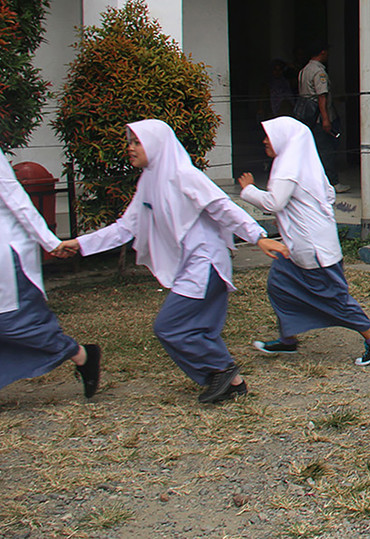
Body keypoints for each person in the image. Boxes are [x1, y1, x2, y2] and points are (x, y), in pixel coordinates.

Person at [61, 120, 290, 403]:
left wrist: (258, 236)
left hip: (206, 265)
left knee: (170, 326)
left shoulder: (183, 175)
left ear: (156, 144)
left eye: (137, 142)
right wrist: (80, 244)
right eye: (129, 142)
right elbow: (125, 227)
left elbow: (222, 206)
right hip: (192, 266)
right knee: (199, 329)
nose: (130, 148)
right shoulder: (149, 180)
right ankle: (232, 383)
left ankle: (223, 369)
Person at [238, 117, 370, 365]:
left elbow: (275, 201)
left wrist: (249, 190)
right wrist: (288, 220)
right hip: (300, 248)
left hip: (313, 251)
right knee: (279, 285)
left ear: (284, 139)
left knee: (334, 298)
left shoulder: (288, 167)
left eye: (269, 135)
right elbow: (323, 195)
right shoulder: (305, 163)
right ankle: (288, 340)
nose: (264, 140)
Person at [0, 155, 101, 398]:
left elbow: (18, 200)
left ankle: (81, 354)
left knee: (14, 322)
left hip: (6, 251)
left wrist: (49, 242)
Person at [298, 40, 349, 194]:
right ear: (321, 52)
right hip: (319, 118)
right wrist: (326, 119)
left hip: (308, 117)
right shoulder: (319, 72)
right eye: (326, 52)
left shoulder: (304, 70)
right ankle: (332, 182)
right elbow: (322, 97)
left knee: (314, 150)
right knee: (326, 150)